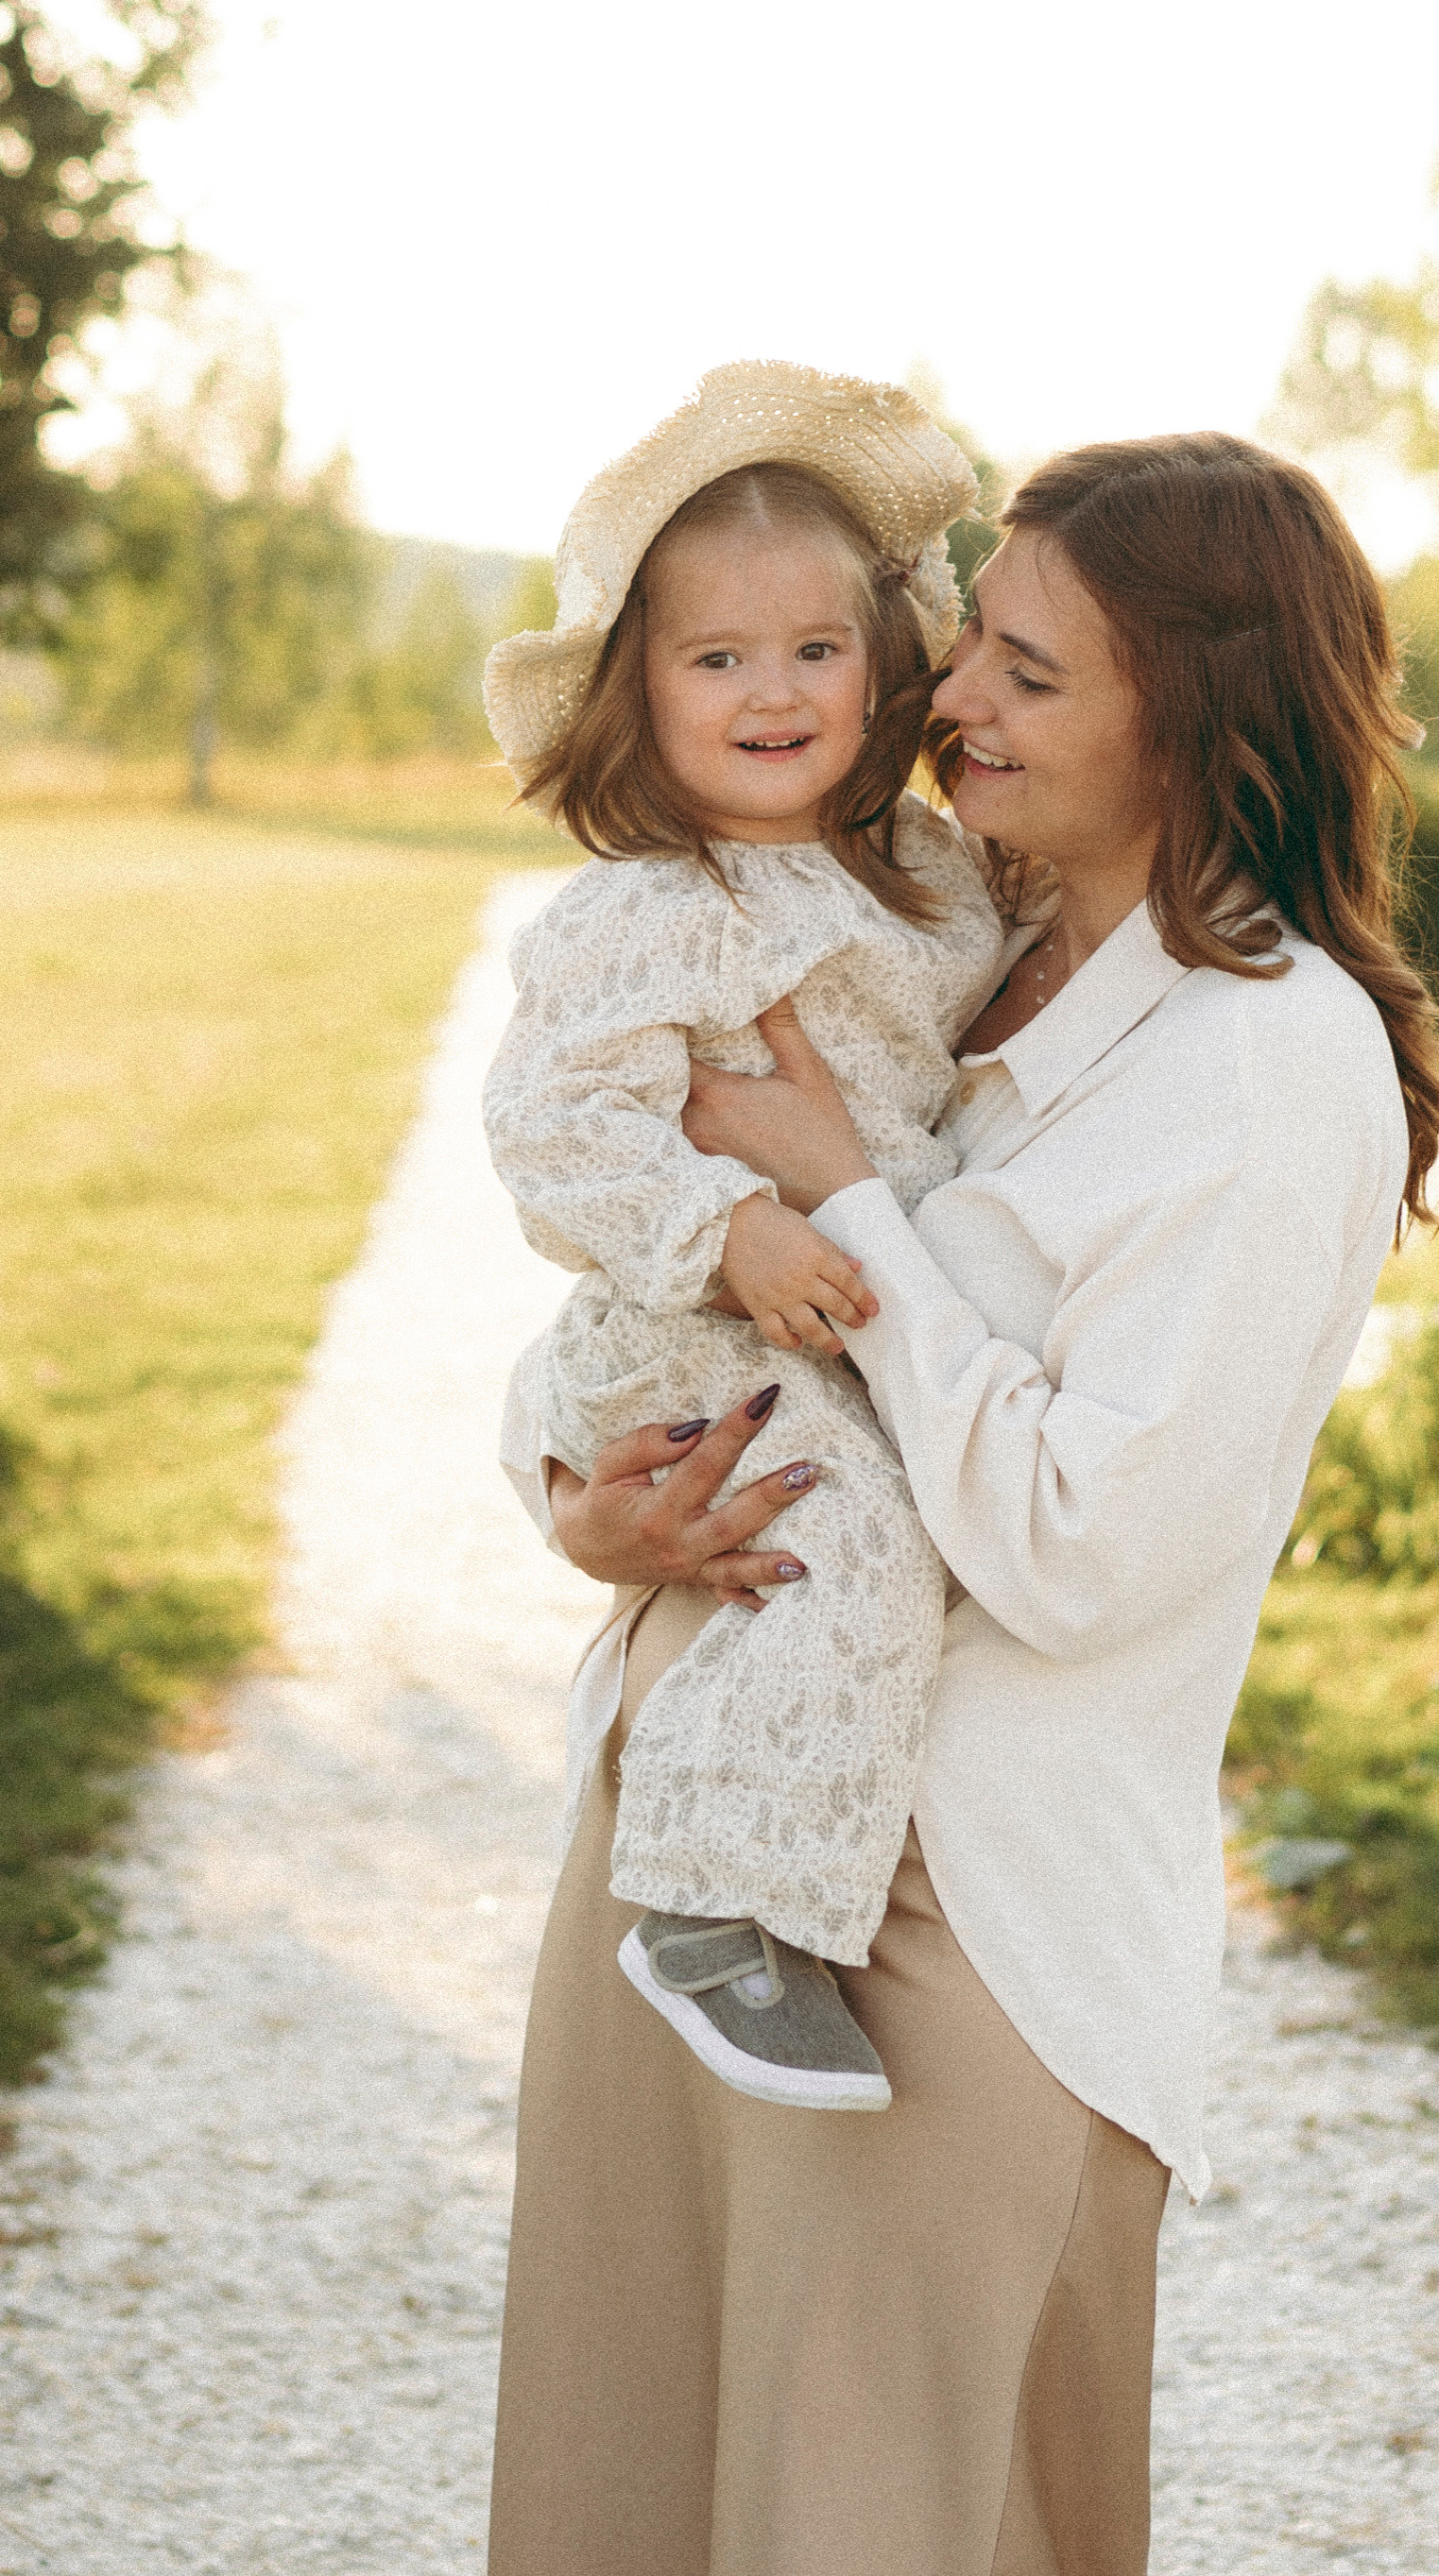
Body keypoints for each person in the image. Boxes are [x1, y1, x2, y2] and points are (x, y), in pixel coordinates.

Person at [487, 427, 1439, 2576]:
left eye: (1027, 671)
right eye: (966, 644)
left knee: (880, 2528)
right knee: (627, 2488)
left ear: (1192, 715)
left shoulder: (1265, 1061)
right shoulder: (933, 933)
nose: (951, 700)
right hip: (694, 1828)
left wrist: (851, 1202)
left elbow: (1079, 1550)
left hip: (956, 1927)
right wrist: (580, 1504)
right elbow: (652, 1283)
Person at [482, 362, 1007, 2113]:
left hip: (822, 1311)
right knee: (844, 1547)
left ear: (883, 664)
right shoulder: (654, 906)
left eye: (813, 650)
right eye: (715, 660)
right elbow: (553, 1126)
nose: (772, 692)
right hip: (695, 1323)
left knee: (894, 1527)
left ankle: (784, 1878)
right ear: (640, 691)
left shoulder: (930, 873)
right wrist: (729, 1230)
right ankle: (714, 1909)